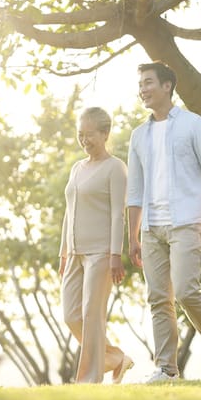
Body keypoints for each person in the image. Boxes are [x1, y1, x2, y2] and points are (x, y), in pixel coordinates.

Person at [127, 61, 201, 382]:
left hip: (186, 220)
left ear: (167, 86)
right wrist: (132, 237)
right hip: (151, 228)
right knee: (159, 299)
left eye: (148, 82)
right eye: (140, 84)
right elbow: (135, 189)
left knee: (187, 291)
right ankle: (167, 369)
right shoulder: (138, 135)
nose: (143, 89)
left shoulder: (194, 124)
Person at [59, 107, 135, 384]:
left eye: (89, 134)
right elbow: (69, 211)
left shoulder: (116, 168)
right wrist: (63, 252)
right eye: (80, 134)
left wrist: (116, 254)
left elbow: (119, 213)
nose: (84, 140)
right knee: (70, 314)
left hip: (101, 252)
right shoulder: (77, 168)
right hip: (75, 252)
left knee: (92, 315)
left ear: (104, 134)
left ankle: (88, 379)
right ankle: (115, 358)